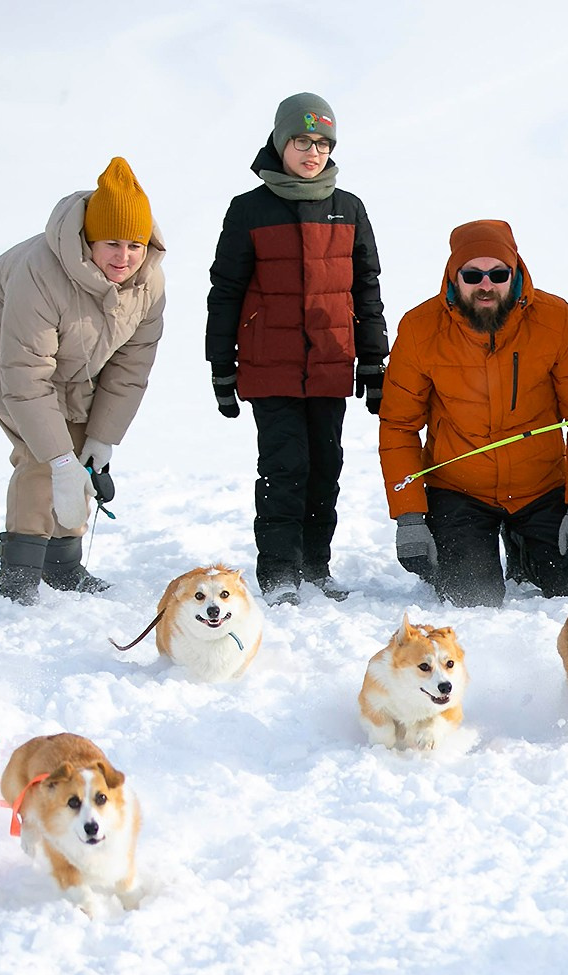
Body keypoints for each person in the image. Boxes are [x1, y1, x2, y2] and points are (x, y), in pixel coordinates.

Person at [0, 157, 164, 604]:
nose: (123, 257)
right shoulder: (42, 272)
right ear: (88, 240)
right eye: (111, 243)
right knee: (44, 452)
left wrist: (102, 441)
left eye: (134, 245)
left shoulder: (149, 284)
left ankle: (63, 563)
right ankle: (21, 575)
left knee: (80, 442)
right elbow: (26, 377)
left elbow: (130, 368)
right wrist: (62, 461)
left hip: (74, 354)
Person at [208, 92, 388, 605]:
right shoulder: (249, 210)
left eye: (323, 143)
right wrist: (222, 367)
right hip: (271, 366)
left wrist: (375, 361)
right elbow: (225, 290)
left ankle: (315, 566)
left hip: (332, 361)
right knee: (285, 467)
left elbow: (366, 287)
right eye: (302, 141)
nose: (313, 152)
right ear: (280, 142)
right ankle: (279, 572)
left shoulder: (348, 208)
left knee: (325, 465)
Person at [376, 218, 568, 608]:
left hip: (540, 486)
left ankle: (525, 545)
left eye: (498, 273)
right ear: (454, 277)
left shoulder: (556, 320)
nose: (486, 285)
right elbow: (398, 426)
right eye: (473, 274)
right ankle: (471, 545)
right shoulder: (419, 328)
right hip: (460, 490)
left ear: (515, 273)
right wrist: (410, 518)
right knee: (472, 597)